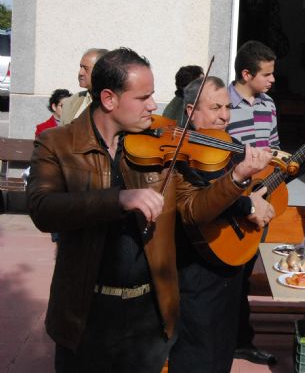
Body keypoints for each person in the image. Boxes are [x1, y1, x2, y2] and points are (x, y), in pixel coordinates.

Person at [27, 48, 272, 372]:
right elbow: (43, 209)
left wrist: (237, 178)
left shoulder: (161, 146)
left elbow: (194, 211)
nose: (154, 106)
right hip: (85, 312)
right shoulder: (57, 143)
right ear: (109, 99)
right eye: (143, 97)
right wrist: (118, 199)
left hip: (148, 313)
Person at [227, 40, 305, 365]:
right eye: (268, 74)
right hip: (228, 199)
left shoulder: (269, 105)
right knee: (226, 278)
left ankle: (241, 341)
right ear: (247, 73)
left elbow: (275, 157)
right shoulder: (222, 105)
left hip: (262, 200)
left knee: (243, 276)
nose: (273, 80)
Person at [168, 76, 275, 373]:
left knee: (221, 355)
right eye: (215, 108)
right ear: (190, 111)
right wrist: (247, 204)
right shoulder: (179, 153)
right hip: (195, 271)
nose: (225, 116)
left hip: (230, 266)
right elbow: (199, 199)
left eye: (227, 107)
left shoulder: (230, 145)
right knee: (196, 356)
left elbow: (264, 184)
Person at [60, 48, 109, 125]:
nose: (80, 73)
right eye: (80, 67)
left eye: (86, 68)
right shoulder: (70, 102)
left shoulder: (116, 102)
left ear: (102, 71)